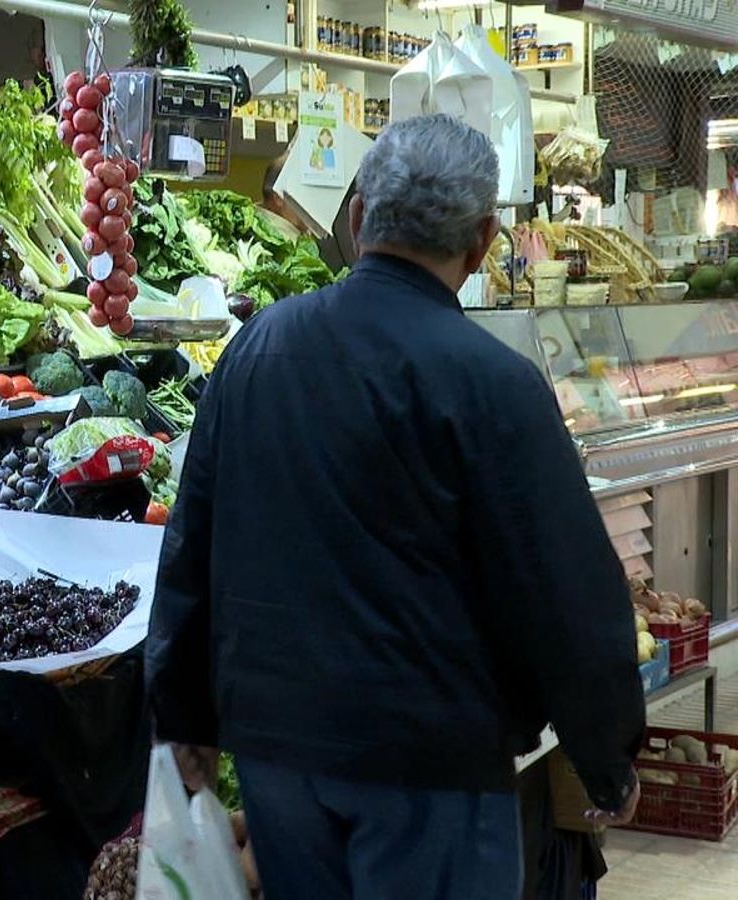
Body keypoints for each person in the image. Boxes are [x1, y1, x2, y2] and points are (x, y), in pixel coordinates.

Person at [146, 113, 645, 899]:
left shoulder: (256, 351)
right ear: (482, 243)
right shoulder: (495, 384)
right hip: (433, 769)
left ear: (355, 220)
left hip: (283, 758)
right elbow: (568, 593)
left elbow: (192, 542)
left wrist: (180, 716)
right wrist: (607, 755)